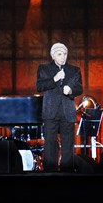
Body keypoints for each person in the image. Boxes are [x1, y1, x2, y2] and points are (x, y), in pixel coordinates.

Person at [36, 42, 83, 172]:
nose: (63, 57)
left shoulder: (74, 70)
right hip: (51, 111)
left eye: (65, 54)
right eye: (59, 54)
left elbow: (79, 88)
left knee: (68, 144)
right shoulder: (44, 69)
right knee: (50, 143)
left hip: (67, 111)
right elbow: (40, 87)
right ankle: (50, 172)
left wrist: (71, 90)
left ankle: (67, 171)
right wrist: (55, 79)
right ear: (53, 55)